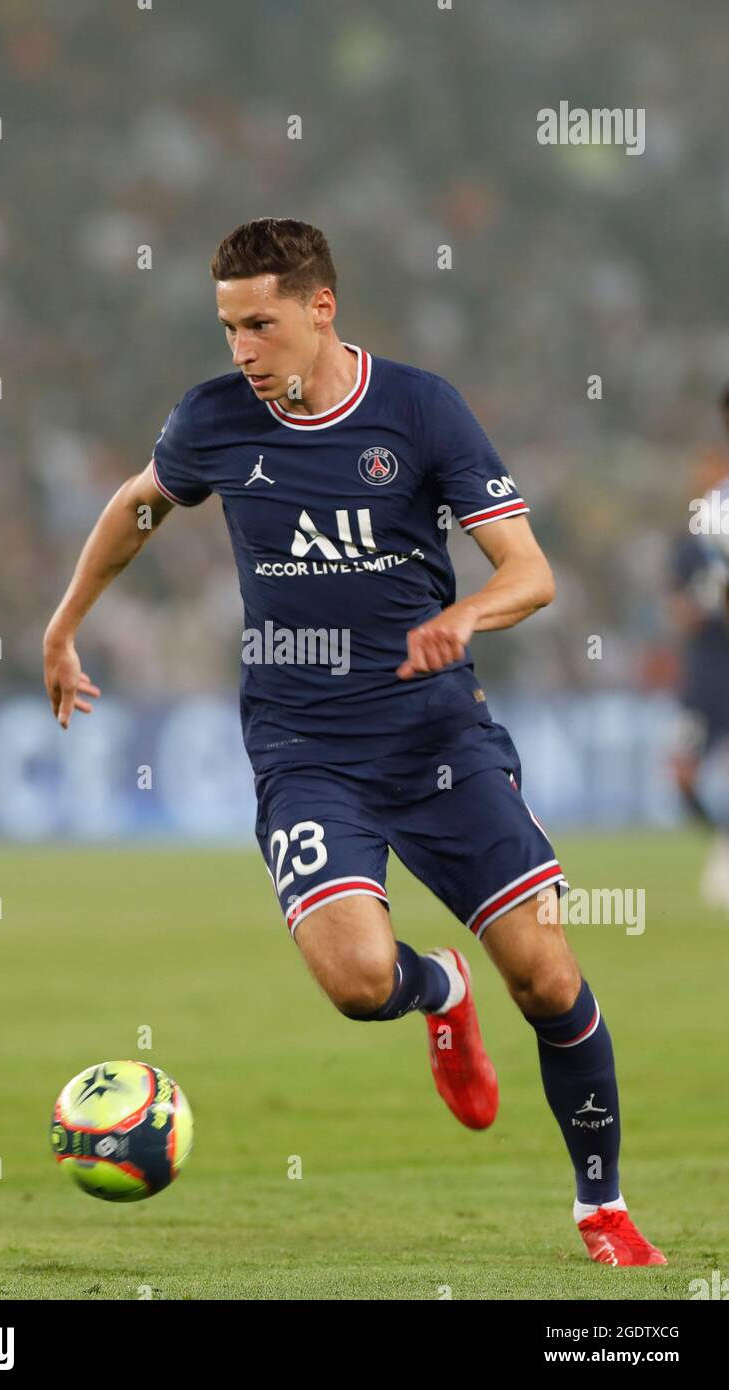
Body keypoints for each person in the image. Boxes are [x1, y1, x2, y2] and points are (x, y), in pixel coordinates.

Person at [43, 217, 665, 1266]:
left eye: (260, 324)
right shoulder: (212, 420)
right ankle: (440, 992)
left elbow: (529, 571)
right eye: (229, 327)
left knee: (548, 978)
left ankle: (599, 1206)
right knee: (355, 983)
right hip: (304, 749)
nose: (242, 349)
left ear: (320, 308)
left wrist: (466, 617)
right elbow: (140, 504)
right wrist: (63, 625)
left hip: (436, 739)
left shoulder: (419, 409)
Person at [667, 418, 729, 909]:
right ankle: (719, 837)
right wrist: (705, 604)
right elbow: (680, 612)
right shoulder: (690, 543)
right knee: (682, 772)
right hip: (705, 672)